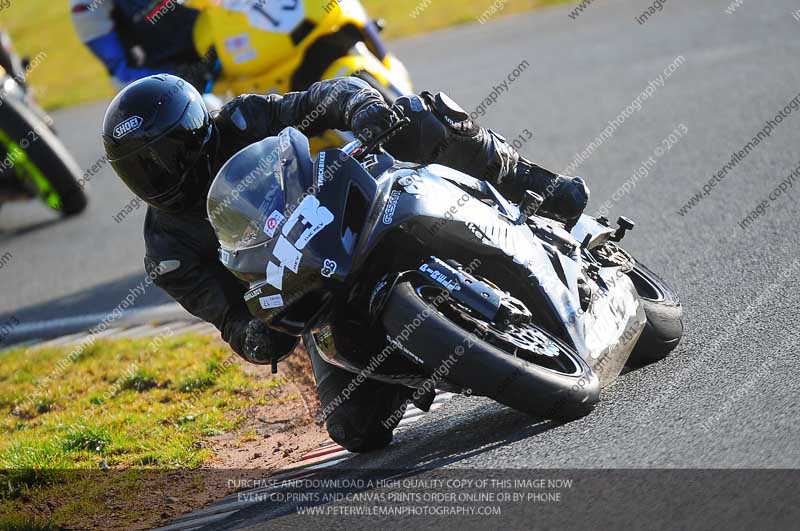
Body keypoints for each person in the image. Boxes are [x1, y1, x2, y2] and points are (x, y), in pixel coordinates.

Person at [102, 74, 588, 452]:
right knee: (354, 428)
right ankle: (427, 357)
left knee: (419, 118)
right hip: (312, 289)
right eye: (141, 167)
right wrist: (258, 336)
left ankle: (528, 181)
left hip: (348, 202)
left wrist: (363, 108)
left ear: (194, 132)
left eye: (166, 155)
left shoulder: (243, 120)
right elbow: (229, 319)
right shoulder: (166, 253)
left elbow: (322, 97)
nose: (159, 174)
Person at [69, 0, 212, 89]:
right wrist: (178, 77)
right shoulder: (86, 5)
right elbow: (122, 73)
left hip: (213, 51)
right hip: (167, 86)